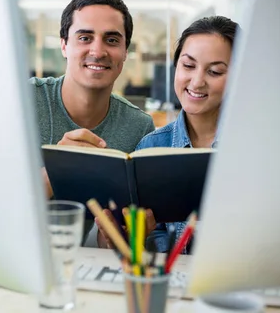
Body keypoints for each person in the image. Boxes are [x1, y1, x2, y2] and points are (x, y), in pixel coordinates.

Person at [96, 15, 240, 252]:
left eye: (214, 72)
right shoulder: (152, 147)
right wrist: (128, 237)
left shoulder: (255, 148)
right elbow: (149, 240)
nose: (196, 81)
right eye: (188, 66)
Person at [29, 0, 155, 197]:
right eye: (85, 38)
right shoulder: (25, 102)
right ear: (64, 46)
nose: (97, 52)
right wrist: (58, 168)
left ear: (125, 51)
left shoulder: (139, 127)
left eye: (112, 40)